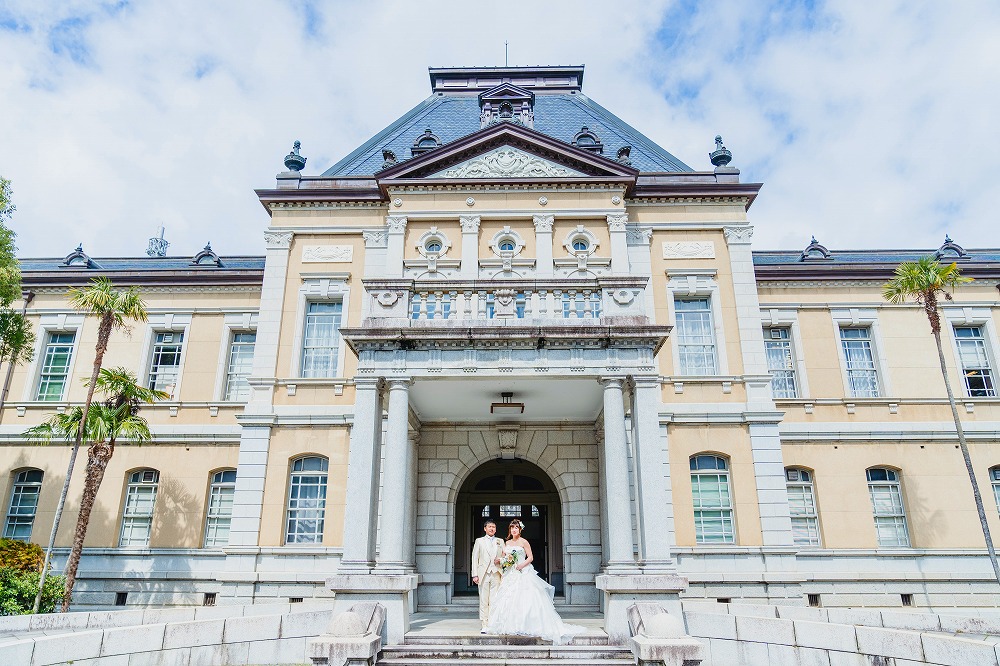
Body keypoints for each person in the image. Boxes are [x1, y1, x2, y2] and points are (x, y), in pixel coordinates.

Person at [484, 519, 585, 644]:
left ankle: (526, 625)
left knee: (525, 599)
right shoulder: (507, 543)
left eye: (516, 528)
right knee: (508, 599)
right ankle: (511, 625)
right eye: (512, 528)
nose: (514, 530)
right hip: (510, 573)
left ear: (520, 529)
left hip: (523, 571)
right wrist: (501, 560)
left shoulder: (524, 542)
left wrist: (521, 565)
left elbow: (530, 557)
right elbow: (505, 557)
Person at [470, 518, 504, 633]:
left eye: (493, 527)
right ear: (485, 528)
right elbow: (474, 558)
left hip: (496, 573)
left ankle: (492, 623)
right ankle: (484, 624)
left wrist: (501, 560)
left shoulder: (500, 541)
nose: (492, 529)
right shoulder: (479, 541)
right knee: (484, 600)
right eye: (489, 527)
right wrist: (475, 575)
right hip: (483, 574)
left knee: (494, 600)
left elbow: (504, 556)